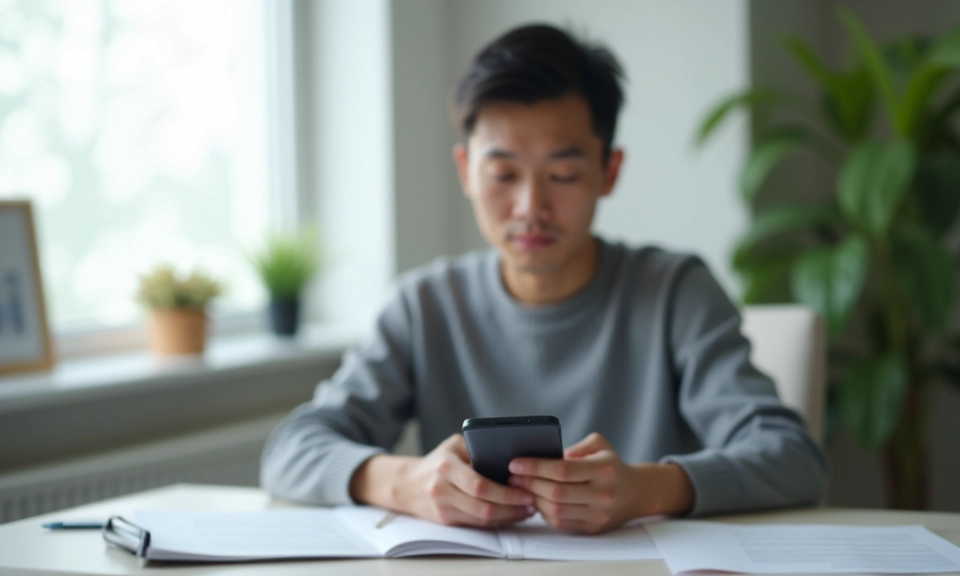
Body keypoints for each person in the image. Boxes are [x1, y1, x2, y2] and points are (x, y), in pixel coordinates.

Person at [260, 23, 826, 535]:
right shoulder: (425, 304)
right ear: (465, 171)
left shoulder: (675, 291)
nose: (530, 206)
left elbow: (793, 458)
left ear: (610, 171)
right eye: (503, 174)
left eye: (562, 174)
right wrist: (401, 481)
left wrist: (647, 489)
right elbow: (290, 449)